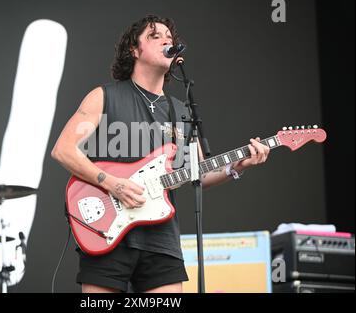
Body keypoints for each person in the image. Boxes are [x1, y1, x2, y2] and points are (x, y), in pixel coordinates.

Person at [52, 15, 270, 293]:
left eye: (170, 37)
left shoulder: (181, 110)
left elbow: (199, 174)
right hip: (107, 232)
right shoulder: (105, 96)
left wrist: (237, 166)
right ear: (134, 50)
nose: (167, 40)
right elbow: (63, 150)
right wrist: (112, 183)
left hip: (162, 240)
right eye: (155, 36)